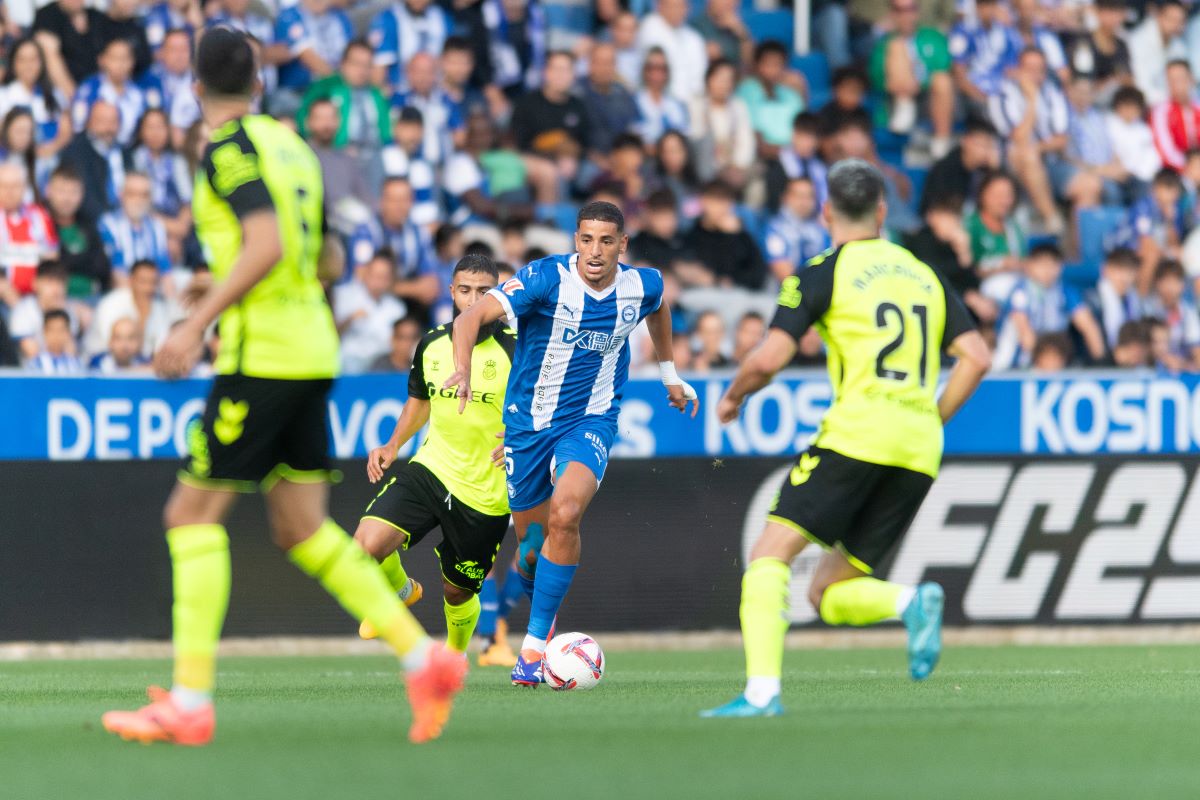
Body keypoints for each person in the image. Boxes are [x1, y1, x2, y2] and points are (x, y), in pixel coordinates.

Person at [101, 28, 464, 748]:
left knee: (189, 516)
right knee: (300, 527)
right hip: (312, 348)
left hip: (260, 356)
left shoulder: (229, 148)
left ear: (196, 89)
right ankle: (424, 658)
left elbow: (265, 244)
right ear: (261, 82)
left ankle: (190, 701)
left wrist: (196, 321)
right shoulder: (294, 147)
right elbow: (323, 255)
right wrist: (231, 278)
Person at [701, 158, 992, 718]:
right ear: (882, 211)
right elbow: (976, 358)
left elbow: (769, 359)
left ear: (828, 211)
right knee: (825, 594)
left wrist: (735, 395)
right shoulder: (922, 273)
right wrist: (931, 417)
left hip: (857, 434)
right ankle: (909, 602)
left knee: (769, 555)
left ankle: (761, 694)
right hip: (918, 448)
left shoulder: (821, 271)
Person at [443, 200, 699, 687]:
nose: (595, 251)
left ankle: (533, 649)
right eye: (586, 239)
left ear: (622, 245)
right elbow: (468, 318)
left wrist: (669, 374)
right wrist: (463, 366)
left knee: (566, 512)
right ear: (575, 241)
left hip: (591, 420)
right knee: (531, 551)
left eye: (606, 241)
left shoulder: (642, 284)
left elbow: (658, 307)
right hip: (528, 426)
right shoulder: (543, 279)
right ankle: (546, 618)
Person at [354, 254, 514, 662]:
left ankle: (455, 657)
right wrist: (393, 445)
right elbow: (419, 402)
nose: (473, 299)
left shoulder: (518, 348)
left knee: (458, 592)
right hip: (433, 468)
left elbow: (545, 409)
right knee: (364, 546)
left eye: (483, 292)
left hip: (485, 490)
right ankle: (402, 592)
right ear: (452, 292)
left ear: (497, 294)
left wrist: (520, 437)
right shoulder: (432, 343)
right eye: (465, 290)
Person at [993, 243, 1106, 369]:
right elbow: (1025, 334)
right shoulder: (1021, 292)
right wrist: (1046, 360)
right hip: (1014, 366)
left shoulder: (1064, 291)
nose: (1047, 270)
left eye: (1052, 265)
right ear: (1029, 265)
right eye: (1042, 264)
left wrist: (1100, 364)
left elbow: (1088, 326)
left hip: (1054, 363)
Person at [868, 0, 953, 155]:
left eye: (910, 9)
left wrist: (918, 82)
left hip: (929, 98)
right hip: (894, 99)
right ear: (892, 13)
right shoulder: (884, 42)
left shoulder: (933, 36)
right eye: (898, 10)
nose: (905, 15)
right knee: (896, 46)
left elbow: (943, 66)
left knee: (942, 81)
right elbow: (878, 78)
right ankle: (904, 105)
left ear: (917, 11)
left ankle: (941, 139)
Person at [334, 250, 407, 374]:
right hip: (350, 365)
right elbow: (332, 334)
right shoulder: (343, 296)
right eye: (375, 275)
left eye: (383, 277)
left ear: (390, 280)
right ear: (365, 273)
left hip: (382, 367)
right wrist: (350, 319)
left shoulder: (397, 309)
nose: (378, 281)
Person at [637, 0, 707, 102]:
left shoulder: (694, 38)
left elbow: (699, 77)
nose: (678, 11)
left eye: (682, 6)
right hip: (661, 100)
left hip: (692, 102)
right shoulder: (649, 27)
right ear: (659, 6)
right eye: (674, 6)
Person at [1128, 0, 1188, 107]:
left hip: (1172, 104)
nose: (1176, 25)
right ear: (1159, 16)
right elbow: (1140, 84)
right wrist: (1168, 101)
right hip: (1143, 105)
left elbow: (1186, 83)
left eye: (1180, 21)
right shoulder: (1139, 41)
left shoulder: (1178, 46)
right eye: (1171, 19)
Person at [1150, 60, 1200, 173]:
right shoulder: (1161, 111)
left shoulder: (1198, 107)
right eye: (1171, 80)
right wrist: (1188, 169)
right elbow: (1165, 150)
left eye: (1180, 79)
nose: (1176, 84)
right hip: (1176, 173)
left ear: (1191, 79)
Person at [27, 308, 81, 373]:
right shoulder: (35, 364)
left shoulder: (76, 364)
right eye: (52, 330)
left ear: (69, 333)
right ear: (44, 333)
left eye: (61, 330)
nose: (56, 335)